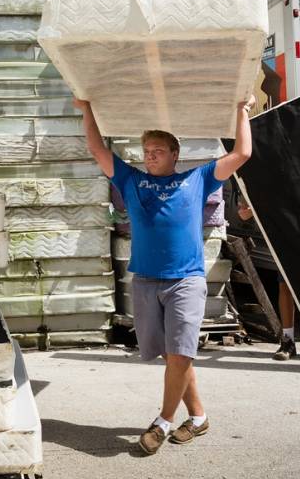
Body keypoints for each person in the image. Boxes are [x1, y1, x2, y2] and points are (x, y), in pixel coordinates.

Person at [75, 95, 255, 455]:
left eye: (158, 150)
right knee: (170, 354)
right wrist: (87, 110)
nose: (150, 155)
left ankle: (162, 422)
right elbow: (96, 147)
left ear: (175, 154)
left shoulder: (198, 178)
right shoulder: (131, 181)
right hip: (145, 280)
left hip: (186, 279)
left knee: (179, 354)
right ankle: (199, 417)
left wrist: (241, 110)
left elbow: (242, 154)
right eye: (146, 150)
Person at [236, 198, 296, 360]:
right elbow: (244, 214)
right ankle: (288, 341)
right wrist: (260, 205)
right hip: (284, 236)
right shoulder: (260, 176)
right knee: (285, 286)